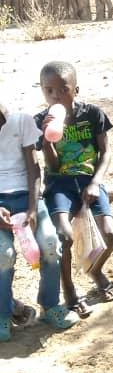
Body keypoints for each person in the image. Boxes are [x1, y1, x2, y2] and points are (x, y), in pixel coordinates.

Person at [35, 61, 113, 318]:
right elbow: (53, 166)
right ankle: (69, 289)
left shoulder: (92, 114)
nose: (56, 96)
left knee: (109, 235)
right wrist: (46, 140)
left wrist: (95, 182)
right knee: (64, 236)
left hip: (89, 180)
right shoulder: (40, 121)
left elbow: (106, 152)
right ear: (43, 91)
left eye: (63, 89)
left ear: (76, 90)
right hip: (59, 184)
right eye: (49, 91)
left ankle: (95, 270)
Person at [0, 99, 79, 341]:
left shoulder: (21, 121)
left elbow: (34, 170)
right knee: (3, 255)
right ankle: (3, 314)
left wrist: (33, 210)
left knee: (50, 244)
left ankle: (50, 305)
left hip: (28, 196)